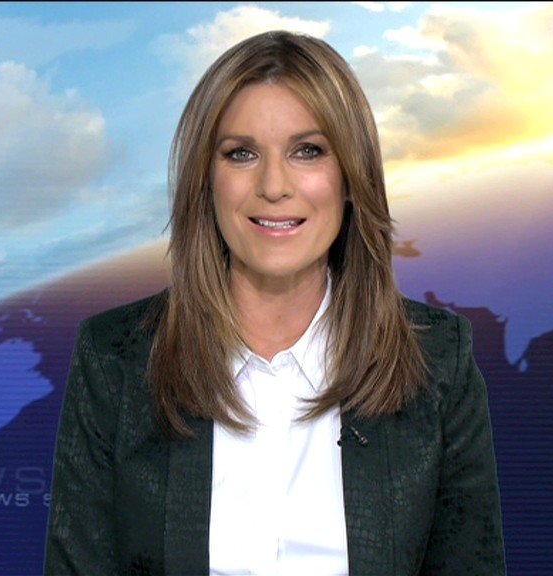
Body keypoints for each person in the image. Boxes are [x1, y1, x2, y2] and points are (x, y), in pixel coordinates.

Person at [44, 30, 506, 575]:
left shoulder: (438, 361)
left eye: (307, 151)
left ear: (351, 176)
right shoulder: (115, 360)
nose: (273, 185)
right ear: (205, 181)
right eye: (241, 154)